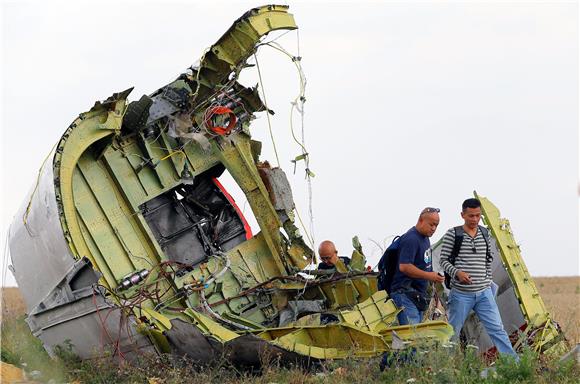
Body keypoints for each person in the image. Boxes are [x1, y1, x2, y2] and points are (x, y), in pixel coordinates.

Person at [439, 198, 518, 358]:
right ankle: (446, 366)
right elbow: (443, 260)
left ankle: (513, 364)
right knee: (453, 332)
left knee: (497, 329)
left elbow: (488, 259)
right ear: (462, 215)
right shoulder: (453, 234)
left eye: (477, 215)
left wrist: (487, 280)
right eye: (471, 216)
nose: (475, 219)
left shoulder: (484, 233)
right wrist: (457, 273)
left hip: (484, 293)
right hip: (461, 294)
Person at [390, 207, 445, 325]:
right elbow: (404, 266)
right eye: (431, 224)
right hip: (405, 293)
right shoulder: (411, 238)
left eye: (436, 225)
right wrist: (429, 276)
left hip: (417, 296)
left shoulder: (425, 239)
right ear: (421, 220)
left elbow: (424, 264)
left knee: (418, 333)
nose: (434, 228)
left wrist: (434, 277)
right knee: (413, 335)